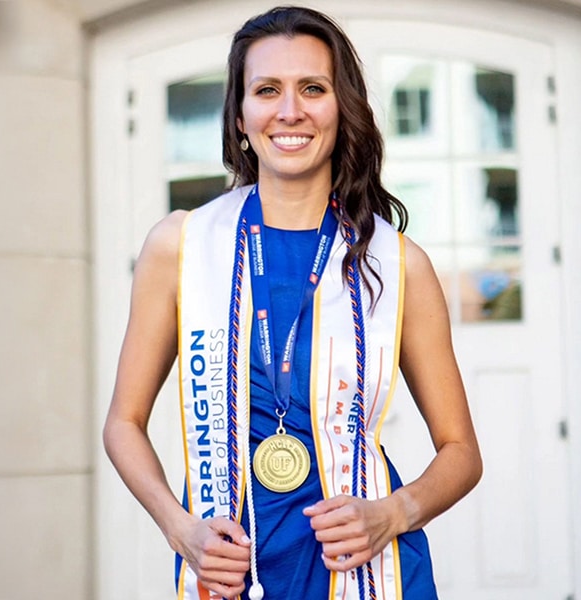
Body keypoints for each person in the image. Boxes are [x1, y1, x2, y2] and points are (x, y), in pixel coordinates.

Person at [103, 6, 482, 599]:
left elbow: (461, 452)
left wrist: (395, 513)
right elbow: (123, 424)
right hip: (231, 569)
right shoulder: (181, 247)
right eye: (267, 90)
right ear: (240, 114)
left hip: (370, 573)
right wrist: (181, 532)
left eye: (313, 88)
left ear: (342, 106)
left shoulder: (396, 261)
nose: (290, 110)